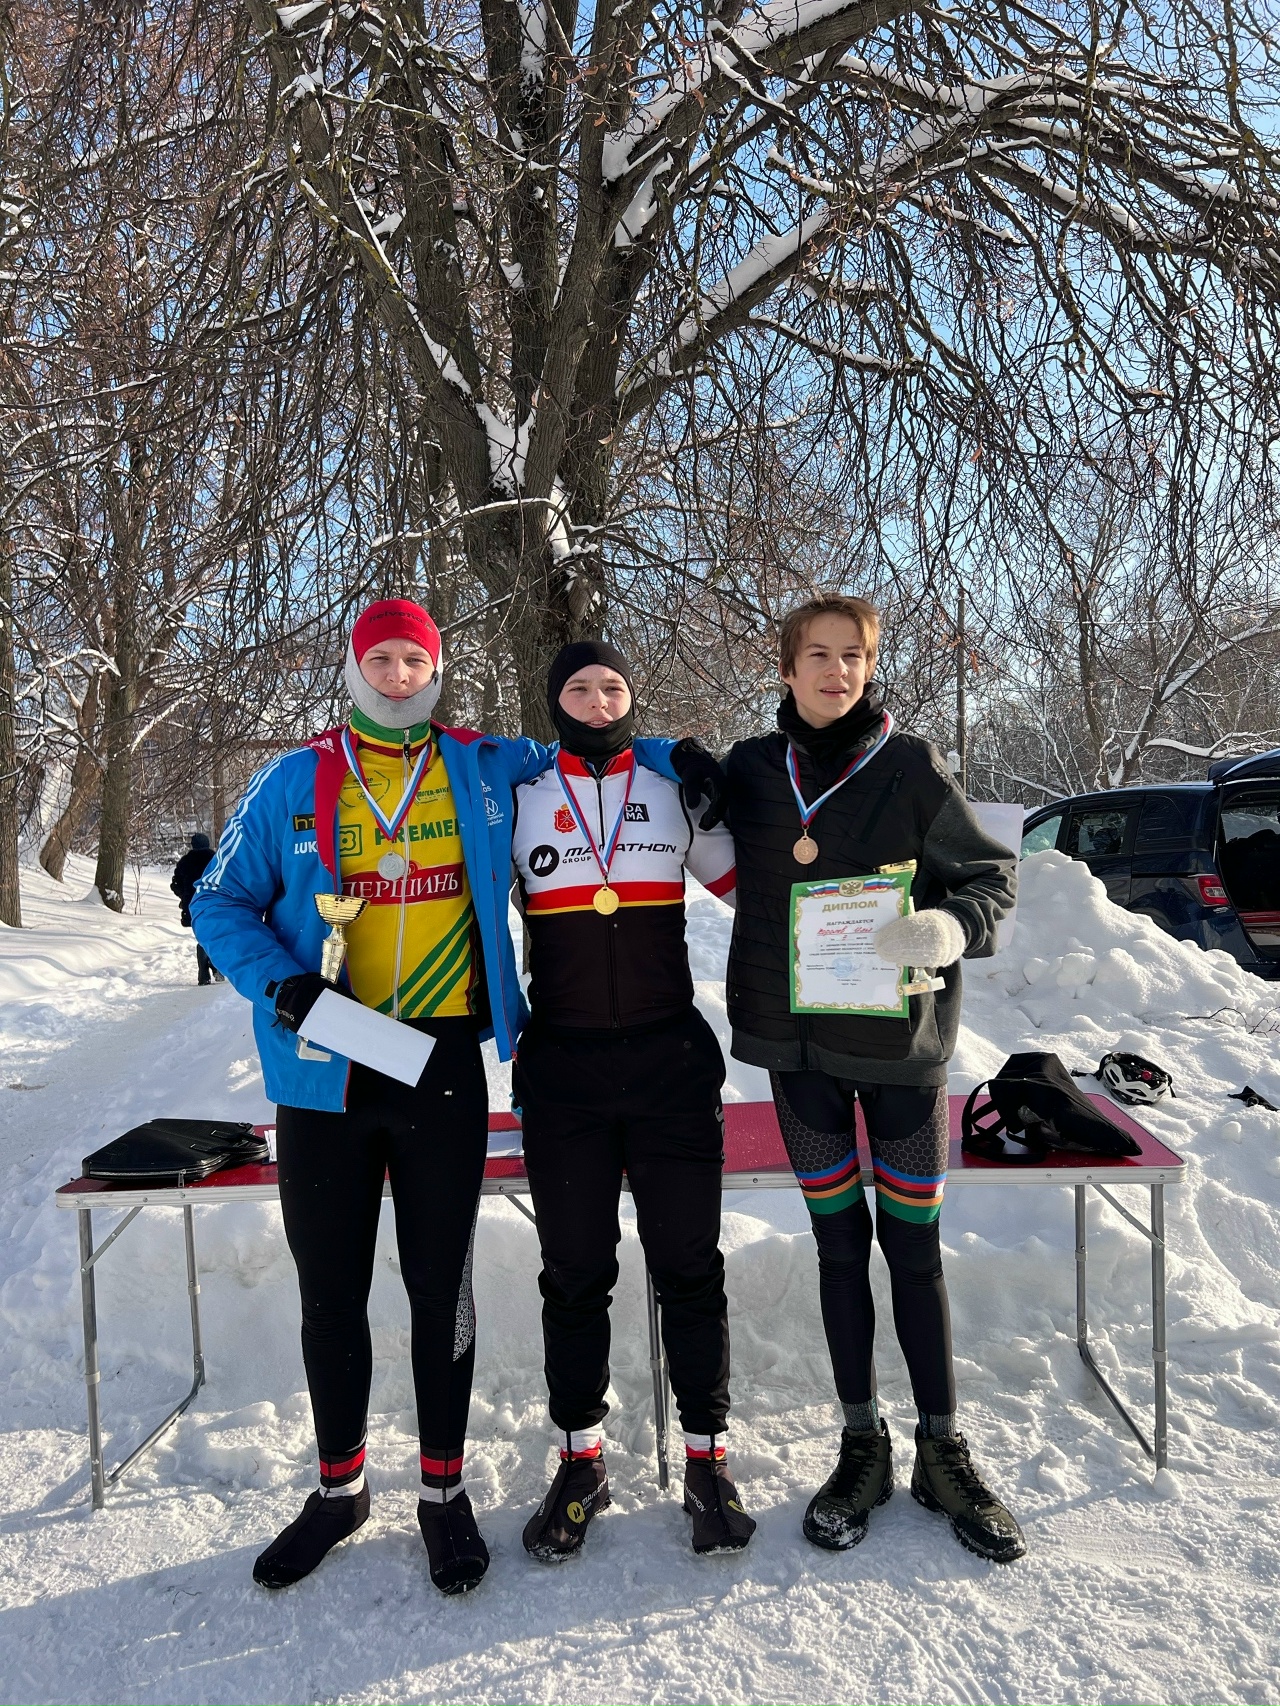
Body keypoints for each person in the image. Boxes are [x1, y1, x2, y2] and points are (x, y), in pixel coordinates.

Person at [191, 599, 559, 1596]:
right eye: (382, 658)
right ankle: (339, 1488)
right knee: (330, 1290)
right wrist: (285, 985)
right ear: (355, 669)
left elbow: (593, 734)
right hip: (324, 1065)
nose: (399, 675)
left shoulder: (484, 763)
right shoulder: (294, 776)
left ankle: (443, 1492)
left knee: (443, 1288)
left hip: (439, 1062)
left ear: (436, 669)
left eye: (415, 659)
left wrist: (678, 756)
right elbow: (217, 899)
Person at [721, 592, 1027, 1563]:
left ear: (868, 666)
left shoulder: (909, 765)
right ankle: (862, 1444)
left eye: (851, 655)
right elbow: (673, 808)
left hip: (900, 1054)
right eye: (816, 654)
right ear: (785, 669)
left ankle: (942, 1448)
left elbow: (990, 878)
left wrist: (950, 926)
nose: (835, 670)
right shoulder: (752, 770)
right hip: (798, 1054)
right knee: (837, 1248)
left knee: (914, 1250)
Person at [511, 641, 755, 1560]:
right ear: (555, 700)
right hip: (563, 1070)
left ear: (631, 698)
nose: (597, 699)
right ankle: (581, 1460)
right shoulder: (522, 795)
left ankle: (708, 1460)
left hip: (669, 1065)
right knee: (575, 1273)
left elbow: (754, 887)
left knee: (689, 1267)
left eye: (612, 685)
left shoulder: (671, 789)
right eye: (578, 686)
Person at [171, 833, 220, 984]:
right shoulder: (216, 859)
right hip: (213, 903)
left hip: (193, 905)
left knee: (202, 935)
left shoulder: (185, 862)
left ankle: (204, 973)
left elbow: (175, 884)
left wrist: (185, 895)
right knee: (213, 935)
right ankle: (214, 966)